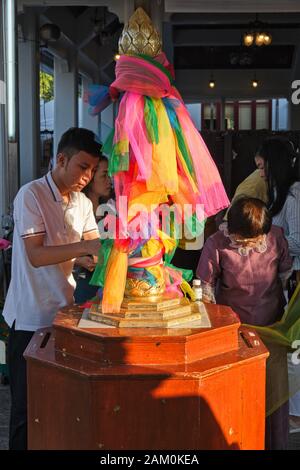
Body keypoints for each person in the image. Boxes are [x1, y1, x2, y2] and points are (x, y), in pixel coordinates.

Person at [2, 127, 102, 450]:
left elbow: (94, 248)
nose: (87, 175)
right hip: (30, 319)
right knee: (25, 411)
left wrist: (103, 256)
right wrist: (81, 250)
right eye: (82, 167)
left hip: (63, 316)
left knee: (58, 408)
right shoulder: (30, 195)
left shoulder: (83, 204)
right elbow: (36, 254)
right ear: (61, 159)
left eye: (92, 169)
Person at [197, 197, 293, 449]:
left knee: (273, 390)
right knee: (239, 391)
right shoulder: (216, 243)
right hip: (234, 333)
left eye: (257, 238)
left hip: (272, 330)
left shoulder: (276, 237)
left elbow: (286, 277)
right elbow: (205, 289)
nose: (251, 244)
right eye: (245, 239)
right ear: (232, 229)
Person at [255, 136, 300, 434]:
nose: (259, 172)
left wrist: (268, 239)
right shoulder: (278, 192)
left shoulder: (294, 195)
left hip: (295, 280)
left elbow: (297, 239)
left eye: (262, 166)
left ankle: (294, 416)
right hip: (287, 279)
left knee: (292, 348)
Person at [74, 155, 114, 304]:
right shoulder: (75, 210)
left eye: (110, 175)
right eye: (104, 175)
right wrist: (78, 260)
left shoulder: (111, 209)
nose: (109, 181)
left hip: (108, 282)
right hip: (83, 282)